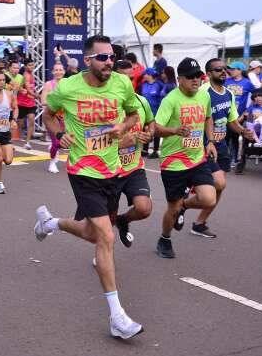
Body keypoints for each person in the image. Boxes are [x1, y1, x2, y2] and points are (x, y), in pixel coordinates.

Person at [33, 35, 144, 339]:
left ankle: (50, 223)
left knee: (90, 233)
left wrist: (124, 125)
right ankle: (117, 317)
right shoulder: (68, 88)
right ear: (87, 61)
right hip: (82, 170)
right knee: (106, 237)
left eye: (112, 57)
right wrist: (59, 135)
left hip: (111, 171)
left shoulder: (122, 83)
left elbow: (134, 112)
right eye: (103, 57)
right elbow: (48, 114)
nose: (109, 62)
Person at [177, 58, 254, 238]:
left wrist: (243, 131)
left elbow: (231, 121)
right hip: (203, 146)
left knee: (219, 188)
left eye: (224, 69)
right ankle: (187, 193)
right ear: (209, 74)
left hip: (222, 146)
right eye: (218, 69)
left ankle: (198, 222)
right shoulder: (202, 91)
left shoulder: (229, 94)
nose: (223, 72)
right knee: (219, 183)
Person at [155, 57, 218, 257]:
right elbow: (155, 128)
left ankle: (184, 205)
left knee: (209, 199)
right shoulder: (170, 100)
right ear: (180, 79)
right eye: (190, 77)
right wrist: (174, 130)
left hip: (197, 158)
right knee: (172, 210)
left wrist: (210, 141)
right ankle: (164, 238)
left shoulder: (204, 96)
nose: (195, 81)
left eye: (198, 77)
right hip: (173, 162)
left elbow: (208, 117)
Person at [114, 90, 155, 248]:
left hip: (134, 168)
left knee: (144, 208)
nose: (127, 83)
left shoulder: (141, 101)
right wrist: (119, 145)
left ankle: (123, 220)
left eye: (130, 78)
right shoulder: (106, 106)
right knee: (105, 221)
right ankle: (103, 253)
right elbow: (91, 142)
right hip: (111, 172)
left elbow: (151, 122)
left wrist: (149, 134)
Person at [41, 62, 66, 173]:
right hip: (51, 116)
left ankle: (53, 148)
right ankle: (52, 162)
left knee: (63, 142)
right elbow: (43, 101)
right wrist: (55, 104)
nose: (58, 72)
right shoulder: (48, 84)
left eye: (60, 70)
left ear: (64, 71)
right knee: (56, 142)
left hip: (65, 117)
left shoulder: (68, 83)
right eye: (56, 70)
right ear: (52, 72)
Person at [139, 67, 163, 158]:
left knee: (156, 130)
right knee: (145, 129)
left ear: (149, 75)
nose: (143, 76)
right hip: (145, 112)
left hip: (156, 111)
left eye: (145, 74)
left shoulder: (159, 85)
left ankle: (155, 150)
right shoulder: (143, 85)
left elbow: (163, 98)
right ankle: (145, 149)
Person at [17, 59, 37, 150]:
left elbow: (32, 89)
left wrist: (35, 94)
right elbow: (28, 89)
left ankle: (28, 142)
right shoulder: (25, 75)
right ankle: (17, 137)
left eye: (32, 65)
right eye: (29, 65)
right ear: (25, 66)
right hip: (22, 103)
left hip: (31, 102)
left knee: (31, 120)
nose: (31, 67)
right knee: (20, 124)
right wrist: (38, 96)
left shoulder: (32, 75)